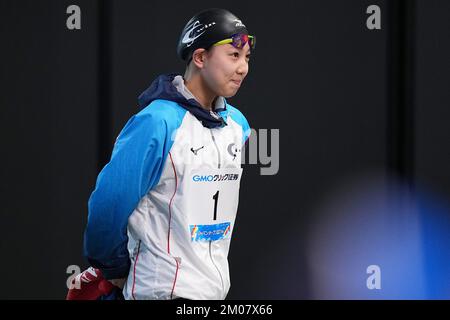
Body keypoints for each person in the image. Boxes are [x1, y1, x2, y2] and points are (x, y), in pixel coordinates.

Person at [70, 7, 255, 300]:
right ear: (200, 57)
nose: (243, 67)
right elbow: (108, 206)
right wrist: (114, 267)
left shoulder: (237, 126)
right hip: (158, 292)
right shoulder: (157, 122)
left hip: (212, 294)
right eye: (234, 55)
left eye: (246, 57)